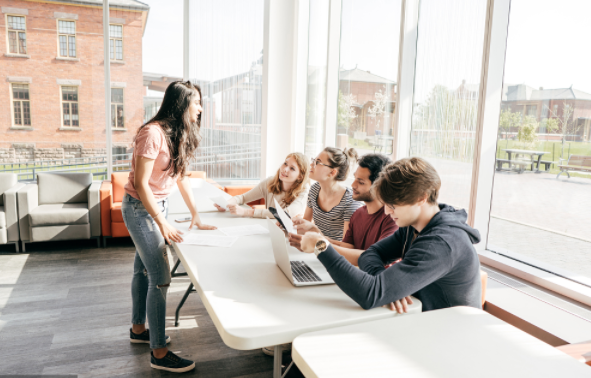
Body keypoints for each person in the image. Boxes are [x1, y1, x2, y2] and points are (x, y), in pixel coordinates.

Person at [298, 157, 482, 313]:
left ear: (421, 198)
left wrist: (320, 246)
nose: (386, 211)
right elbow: (371, 254)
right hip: (421, 319)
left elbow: (369, 295)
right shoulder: (414, 226)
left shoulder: (441, 243)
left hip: (447, 335)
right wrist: (387, 286)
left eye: (393, 205)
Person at [122, 81, 215, 373]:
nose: (200, 108)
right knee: (160, 277)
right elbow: (140, 183)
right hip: (140, 209)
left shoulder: (179, 134)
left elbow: (181, 177)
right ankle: (159, 353)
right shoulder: (152, 133)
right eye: (196, 102)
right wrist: (161, 223)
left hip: (155, 208)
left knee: (142, 269)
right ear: (181, 103)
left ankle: (139, 330)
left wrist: (195, 214)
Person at [289, 153, 398, 266]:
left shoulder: (392, 219)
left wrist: (319, 245)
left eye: (361, 182)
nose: (353, 184)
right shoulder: (358, 214)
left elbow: (375, 258)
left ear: (379, 186)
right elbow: (347, 248)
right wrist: (315, 232)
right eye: (355, 178)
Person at [214, 152, 310, 218]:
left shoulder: (304, 191)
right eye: (285, 164)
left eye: (292, 168)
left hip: (291, 237)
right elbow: (243, 198)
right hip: (269, 229)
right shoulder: (271, 182)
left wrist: (246, 212)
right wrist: (226, 204)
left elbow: (285, 214)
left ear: (300, 177)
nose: (285, 169)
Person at [297, 147, 362, 242]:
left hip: (335, 253)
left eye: (317, 162)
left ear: (332, 172)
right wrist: (288, 226)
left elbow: (346, 244)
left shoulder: (350, 199)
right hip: (316, 247)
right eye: (313, 160)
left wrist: (317, 234)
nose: (311, 164)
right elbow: (306, 222)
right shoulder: (314, 189)